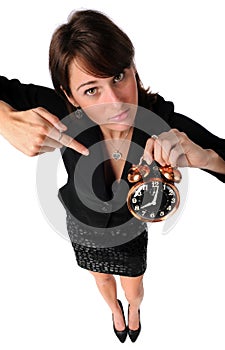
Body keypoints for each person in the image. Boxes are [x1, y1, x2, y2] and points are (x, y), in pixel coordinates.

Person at [0, 9, 225, 343]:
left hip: (129, 231)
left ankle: (132, 310)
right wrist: (3, 120)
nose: (116, 101)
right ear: (68, 95)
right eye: (91, 90)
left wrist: (207, 157)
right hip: (81, 224)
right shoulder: (62, 112)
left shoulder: (161, 120)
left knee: (134, 287)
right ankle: (114, 312)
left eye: (119, 76)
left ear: (133, 69)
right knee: (102, 280)